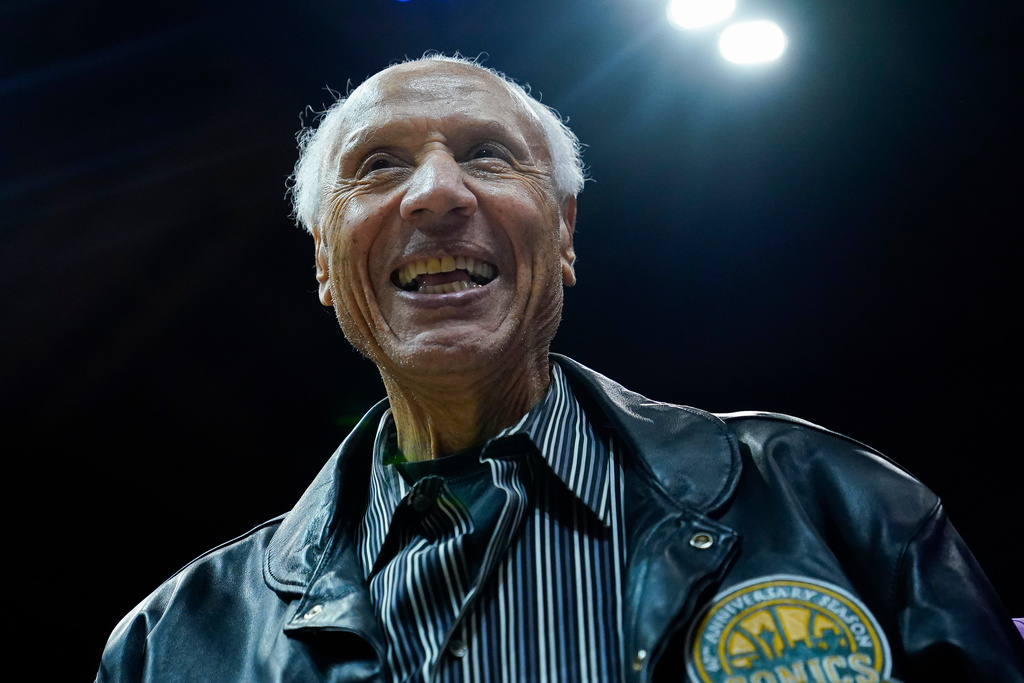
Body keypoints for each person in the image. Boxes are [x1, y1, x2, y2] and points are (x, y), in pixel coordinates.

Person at [97, 55, 1024, 682]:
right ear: (325, 265)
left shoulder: (838, 505)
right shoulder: (170, 643)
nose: (437, 191)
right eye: (377, 167)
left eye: (488, 155)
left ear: (566, 236)